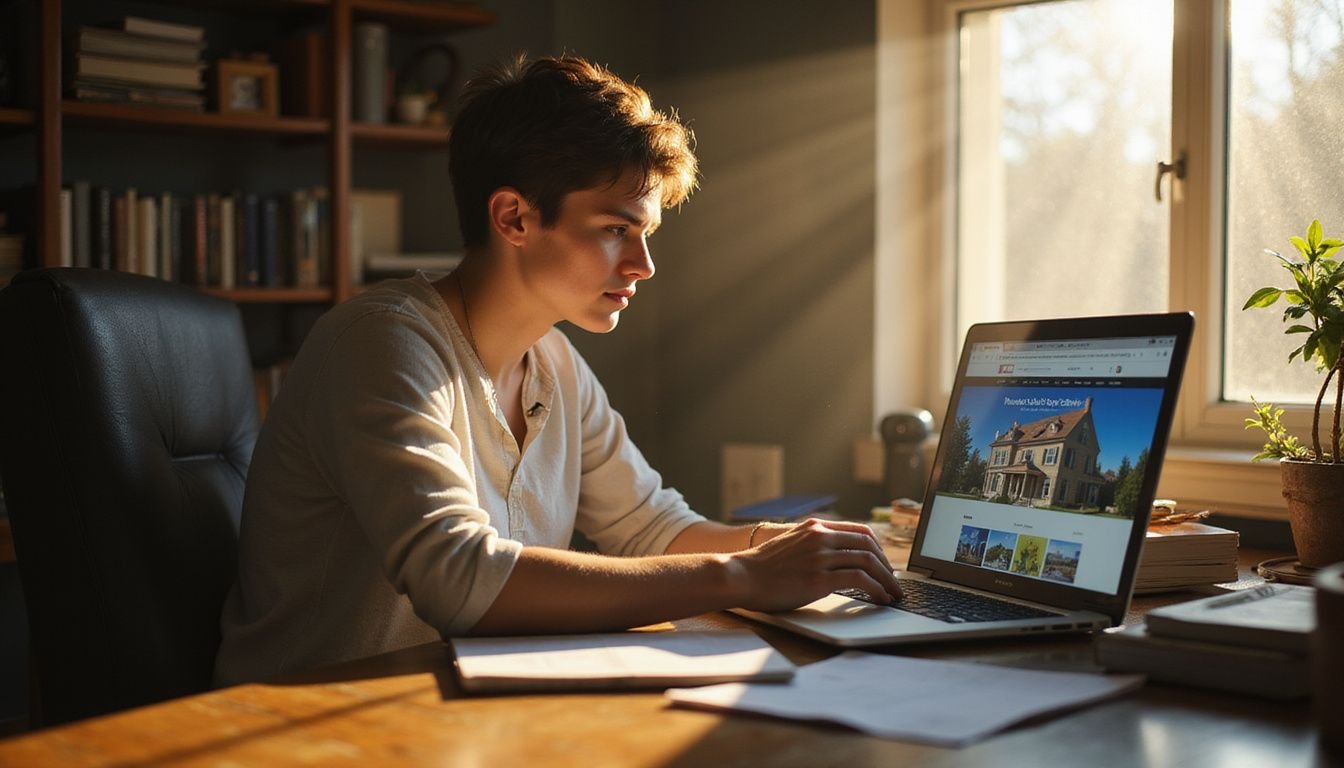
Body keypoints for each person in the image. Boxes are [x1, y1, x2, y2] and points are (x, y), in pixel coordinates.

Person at [214, 54, 900, 686]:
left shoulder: (552, 360)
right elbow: (458, 578)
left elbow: (648, 528)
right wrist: (742, 574)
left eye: (646, 234)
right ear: (514, 216)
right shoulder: (380, 345)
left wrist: (799, 551)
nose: (643, 265)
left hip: (464, 711)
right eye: (614, 230)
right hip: (312, 724)